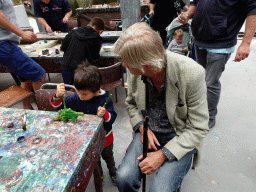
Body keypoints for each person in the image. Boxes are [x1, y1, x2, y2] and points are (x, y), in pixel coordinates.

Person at [113, 22, 209, 192]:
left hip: (179, 135)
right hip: (148, 130)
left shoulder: (193, 73)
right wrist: (142, 128)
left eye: (127, 62)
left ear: (147, 65)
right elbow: (131, 103)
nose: (124, 65)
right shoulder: (137, 68)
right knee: (123, 178)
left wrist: (162, 154)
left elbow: (198, 128)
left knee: (160, 190)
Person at [178, 0, 256, 128]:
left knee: (210, 82)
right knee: (202, 79)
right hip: (200, 38)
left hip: (221, 42)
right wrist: (188, 14)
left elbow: (253, 10)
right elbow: (195, 2)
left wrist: (246, 43)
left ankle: (208, 118)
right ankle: (199, 112)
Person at [49, 62, 118, 185]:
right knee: (95, 159)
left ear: (97, 91)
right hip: (86, 139)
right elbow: (59, 107)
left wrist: (105, 114)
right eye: (78, 92)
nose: (80, 97)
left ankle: (113, 171)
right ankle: (99, 173)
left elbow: (112, 117)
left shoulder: (104, 99)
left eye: (84, 94)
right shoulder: (77, 97)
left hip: (105, 137)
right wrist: (57, 96)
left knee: (108, 157)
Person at [0, 0, 46, 109]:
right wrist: (22, 33)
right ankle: (43, 112)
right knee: (39, 74)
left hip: (6, 44)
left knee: (26, 79)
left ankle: (27, 110)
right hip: (3, 44)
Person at [60, 18, 104, 86]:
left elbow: (63, 47)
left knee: (68, 92)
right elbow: (95, 57)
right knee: (83, 93)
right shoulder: (96, 38)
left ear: (88, 25)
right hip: (83, 72)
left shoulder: (73, 32)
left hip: (66, 67)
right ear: (100, 31)